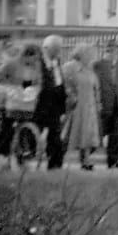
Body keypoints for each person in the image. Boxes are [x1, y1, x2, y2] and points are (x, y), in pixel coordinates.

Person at [0, 43, 44, 168]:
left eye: (37, 58)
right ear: (26, 55)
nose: (35, 61)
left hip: (27, 102)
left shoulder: (36, 66)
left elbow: (38, 82)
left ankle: (23, 154)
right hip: (9, 100)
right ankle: (1, 154)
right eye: (34, 58)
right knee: (7, 127)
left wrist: (34, 90)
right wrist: (8, 89)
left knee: (28, 127)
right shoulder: (11, 64)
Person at [93, 39, 118, 169]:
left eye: (114, 49)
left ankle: (115, 161)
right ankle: (86, 155)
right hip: (104, 104)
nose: (112, 51)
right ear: (104, 50)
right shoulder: (98, 65)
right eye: (109, 49)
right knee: (101, 132)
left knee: (116, 133)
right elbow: (94, 83)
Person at [62, 44, 101, 171]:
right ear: (81, 54)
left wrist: (98, 102)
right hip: (76, 105)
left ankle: (85, 160)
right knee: (69, 134)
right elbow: (65, 84)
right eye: (89, 54)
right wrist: (71, 96)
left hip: (89, 106)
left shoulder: (89, 69)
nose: (91, 57)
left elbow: (95, 87)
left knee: (88, 135)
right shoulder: (69, 67)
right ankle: (58, 158)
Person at [35, 35, 67, 170]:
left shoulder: (57, 62)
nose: (58, 51)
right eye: (56, 49)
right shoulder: (37, 62)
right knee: (34, 134)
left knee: (55, 136)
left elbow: (60, 84)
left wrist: (63, 107)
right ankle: (22, 157)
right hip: (39, 105)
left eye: (59, 49)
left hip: (54, 105)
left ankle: (55, 165)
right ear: (46, 48)